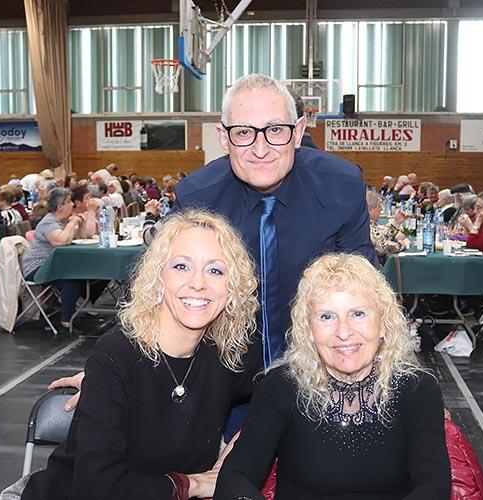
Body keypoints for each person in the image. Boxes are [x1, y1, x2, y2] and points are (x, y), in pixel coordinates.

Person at [52, 73, 376, 418]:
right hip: (225, 381)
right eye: (244, 133)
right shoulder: (198, 196)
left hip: (322, 377)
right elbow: (160, 292)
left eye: (275, 130)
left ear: (297, 132)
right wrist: (113, 372)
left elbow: (366, 294)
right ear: (224, 137)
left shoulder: (341, 186)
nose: (261, 149)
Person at [4, 210, 262, 500]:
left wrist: (241, 446)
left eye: (215, 270)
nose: (198, 283)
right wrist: (194, 484)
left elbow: (284, 387)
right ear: (158, 278)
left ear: (232, 288)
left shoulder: (227, 354)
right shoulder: (117, 354)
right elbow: (98, 488)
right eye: (181, 266)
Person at [214, 253, 451, 499]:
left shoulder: (417, 388)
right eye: (327, 317)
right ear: (309, 330)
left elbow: (434, 485)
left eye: (358, 314)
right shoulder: (281, 386)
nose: (344, 332)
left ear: (383, 324)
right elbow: (235, 476)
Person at [21, 188, 84, 330]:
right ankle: (67, 319)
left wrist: (81, 223)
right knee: (73, 278)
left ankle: (83, 305)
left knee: (89, 273)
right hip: (38, 267)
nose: (73, 204)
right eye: (69, 202)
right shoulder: (48, 223)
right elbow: (61, 241)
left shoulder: (63, 221)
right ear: (60, 206)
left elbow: (83, 237)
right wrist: (72, 223)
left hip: (54, 265)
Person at [365, 191, 410, 262]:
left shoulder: (364, 221)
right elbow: (383, 247)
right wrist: (403, 244)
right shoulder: (366, 225)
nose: (381, 209)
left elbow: (380, 236)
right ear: (370, 210)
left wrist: (396, 223)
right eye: (379, 206)